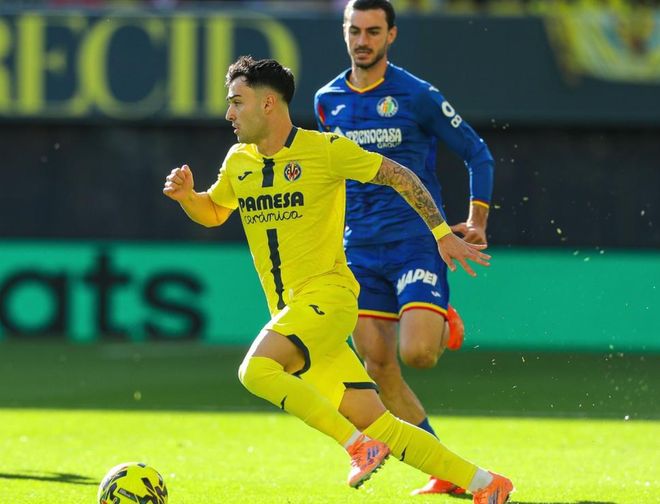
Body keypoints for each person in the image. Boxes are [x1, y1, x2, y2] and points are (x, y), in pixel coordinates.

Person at [163, 55, 513, 503]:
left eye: (237, 102)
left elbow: (399, 175)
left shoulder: (325, 150)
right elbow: (214, 211)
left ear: (268, 104)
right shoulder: (238, 161)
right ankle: (485, 483)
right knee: (382, 424)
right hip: (296, 313)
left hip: (328, 298)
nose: (229, 113)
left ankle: (355, 446)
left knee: (256, 371)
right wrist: (187, 198)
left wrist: (442, 233)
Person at [314, 0, 494, 495]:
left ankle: (439, 318)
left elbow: (477, 153)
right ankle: (444, 469)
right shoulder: (327, 100)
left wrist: (476, 220)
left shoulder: (417, 95)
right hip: (359, 250)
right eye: (355, 30)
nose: (362, 40)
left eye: (373, 31)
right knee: (377, 365)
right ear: (344, 32)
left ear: (391, 35)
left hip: (416, 241)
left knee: (418, 354)